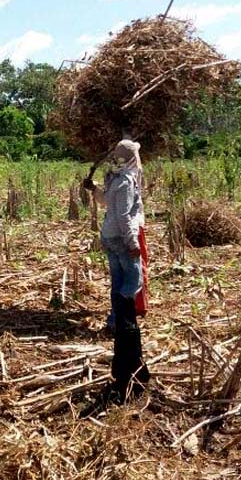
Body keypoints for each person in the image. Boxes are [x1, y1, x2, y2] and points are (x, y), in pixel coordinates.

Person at [84, 140, 150, 405]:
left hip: (109, 236)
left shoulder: (113, 179)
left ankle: (118, 320)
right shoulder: (124, 181)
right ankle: (125, 325)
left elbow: (106, 202)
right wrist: (133, 243)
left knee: (118, 282)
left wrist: (94, 189)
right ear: (132, 157)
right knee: (130, 284)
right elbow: (123, 214)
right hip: (121, 239)